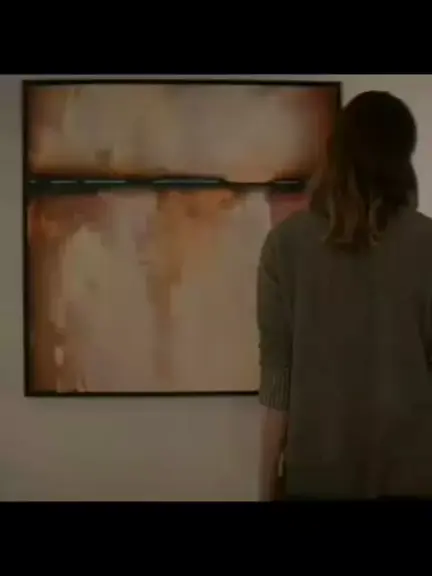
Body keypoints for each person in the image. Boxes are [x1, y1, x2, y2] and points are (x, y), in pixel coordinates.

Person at [257, 91, 432, 500]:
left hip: (315, 477)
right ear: (403, 155)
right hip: (414, 476)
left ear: (334, 150)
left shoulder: (285, 245)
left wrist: (265, 487)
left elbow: (277, 382)